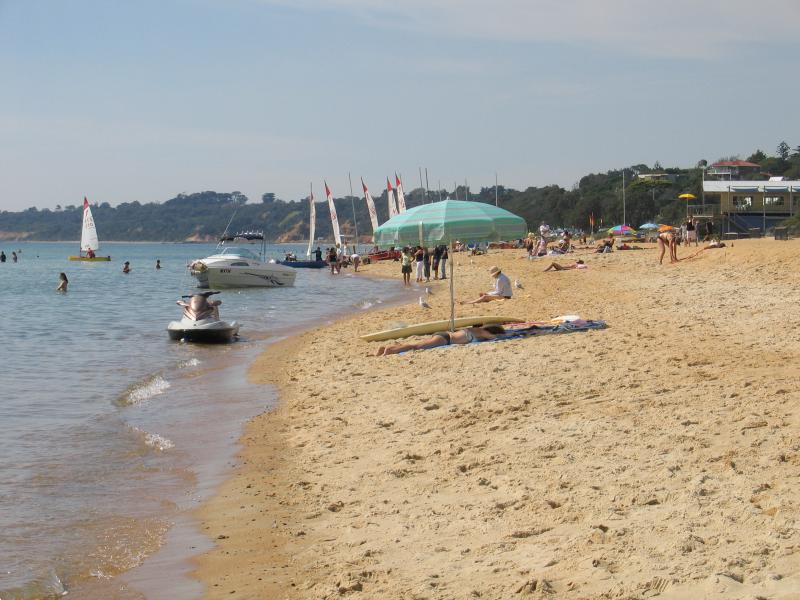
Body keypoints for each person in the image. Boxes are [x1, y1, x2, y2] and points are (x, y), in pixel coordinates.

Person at [375, 325, 507, 356]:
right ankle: (388, 350)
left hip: (444, 335)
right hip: (445, 340)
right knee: (416, 347)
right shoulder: (482, 332)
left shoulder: (474, 329)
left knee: (417, 344)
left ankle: (382, 349)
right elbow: (494, 338)